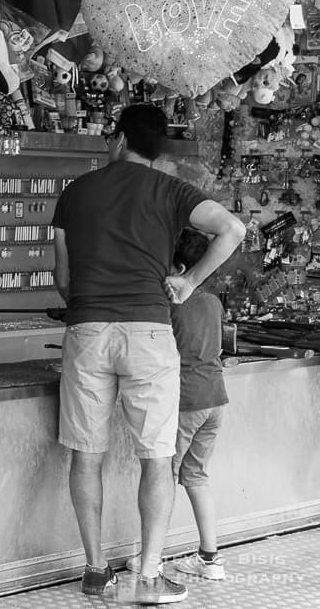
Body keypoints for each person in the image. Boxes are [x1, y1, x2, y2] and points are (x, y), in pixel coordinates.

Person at [52, 104, 244, 605]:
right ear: (158, 151)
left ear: (117, 139)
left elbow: (63, 281)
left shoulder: (74, 193)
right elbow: (233, 230)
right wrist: (188, 281)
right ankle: (150, 575)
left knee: (86, 455)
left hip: (87, 330)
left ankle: (95, 571)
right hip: (150, 333)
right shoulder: (172, 191)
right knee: (157, 459)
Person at [166, 228, 230, 581]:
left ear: (177, 266)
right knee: (196, 476)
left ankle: (151, 559)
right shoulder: (212, 302)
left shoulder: (173, 305)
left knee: (163, 477)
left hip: (187, 400)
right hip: (216, 399)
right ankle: (209, 558)